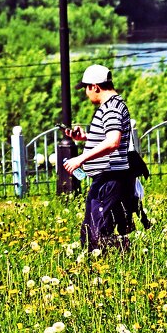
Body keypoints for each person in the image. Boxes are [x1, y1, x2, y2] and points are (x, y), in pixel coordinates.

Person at [62, 64, 138, 252]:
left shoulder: (111, 108)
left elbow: (113, 141)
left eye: (86, 88)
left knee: (97, 234)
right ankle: (106, 262)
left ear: (95, 86)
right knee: (90, 232)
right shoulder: (115, 105)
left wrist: (81, 159)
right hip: (107, 177)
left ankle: (126, 253)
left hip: (109, 178)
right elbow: (111, 138)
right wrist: (86, 138)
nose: (86, 94)